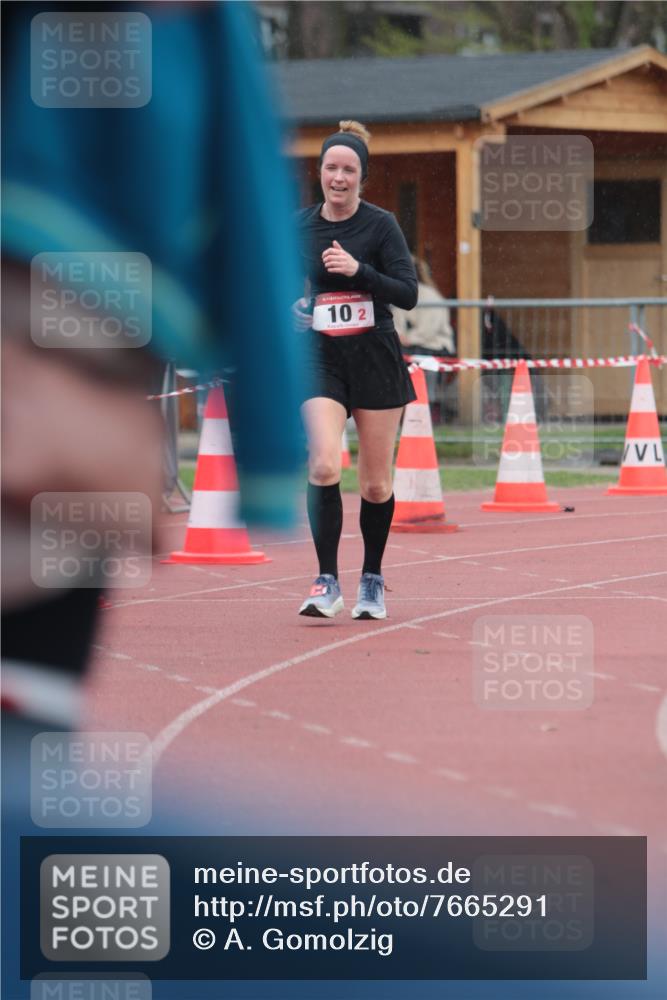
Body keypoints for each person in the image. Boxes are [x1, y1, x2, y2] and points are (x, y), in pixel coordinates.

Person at [293, 120, 418, 621]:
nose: (338, 177)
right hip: (321, 357)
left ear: (361, 178)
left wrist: (359, 272)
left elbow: (406, 293)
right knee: (323, 463)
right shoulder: (297, 226)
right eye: (331, 167)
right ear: (319, 172)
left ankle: (372, 577)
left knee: (374, 484)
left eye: (348, 170)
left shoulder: (381, 225)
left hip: (375, 356)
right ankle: (326, 580)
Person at [393, 255, 456, 416]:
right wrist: (399, 335)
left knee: (422, 360)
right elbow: (397, 321)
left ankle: (428, 403)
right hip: (412, 344)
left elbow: (429, 329)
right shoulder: (401, 293)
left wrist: (409, 338)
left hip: (434, 344)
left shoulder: (430, 295)